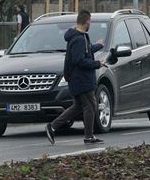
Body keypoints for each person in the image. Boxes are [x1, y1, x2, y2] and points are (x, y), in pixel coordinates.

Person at [45, 10, 106, 145]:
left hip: (77, 79)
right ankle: (89, 136)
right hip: (81, 80)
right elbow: (79, 60)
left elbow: (86, 51)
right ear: (87, 22)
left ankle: (52, 126)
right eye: (90, 22)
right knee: (90, 105)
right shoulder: (79, 39)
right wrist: (97, 63)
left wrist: (98, 46)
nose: (91, 24)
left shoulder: (78, 37)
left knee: (78, 106)